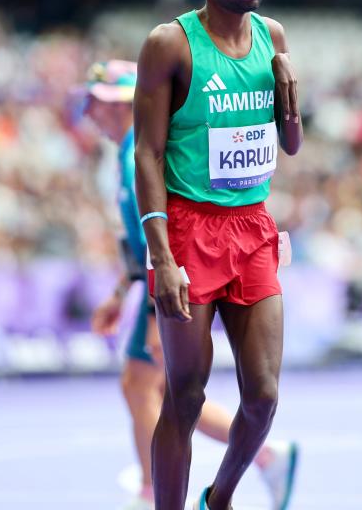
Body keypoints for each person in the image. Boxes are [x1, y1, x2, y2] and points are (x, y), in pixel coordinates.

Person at [133, 0, 304, 510]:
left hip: (252, 227)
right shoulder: (171, 44)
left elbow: (292, 144)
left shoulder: (272, 36)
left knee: (263, 396)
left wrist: (289, 93)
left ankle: (221, 498)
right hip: (188, 228)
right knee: (184, 394)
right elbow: (147, 153)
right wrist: (163, 257)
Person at [81, 59, 299, 510]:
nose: (90, 113)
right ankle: (261, 458)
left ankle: (154, 488)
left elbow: (151, 237)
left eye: (98, 103)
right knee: (161, 390)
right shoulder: (123, 157)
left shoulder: (130, 161)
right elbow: (136, 242)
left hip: (176, 276)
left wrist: (143, 313)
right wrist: (122, 294)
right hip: (160, 280)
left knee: (145, 386)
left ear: (125, 104)